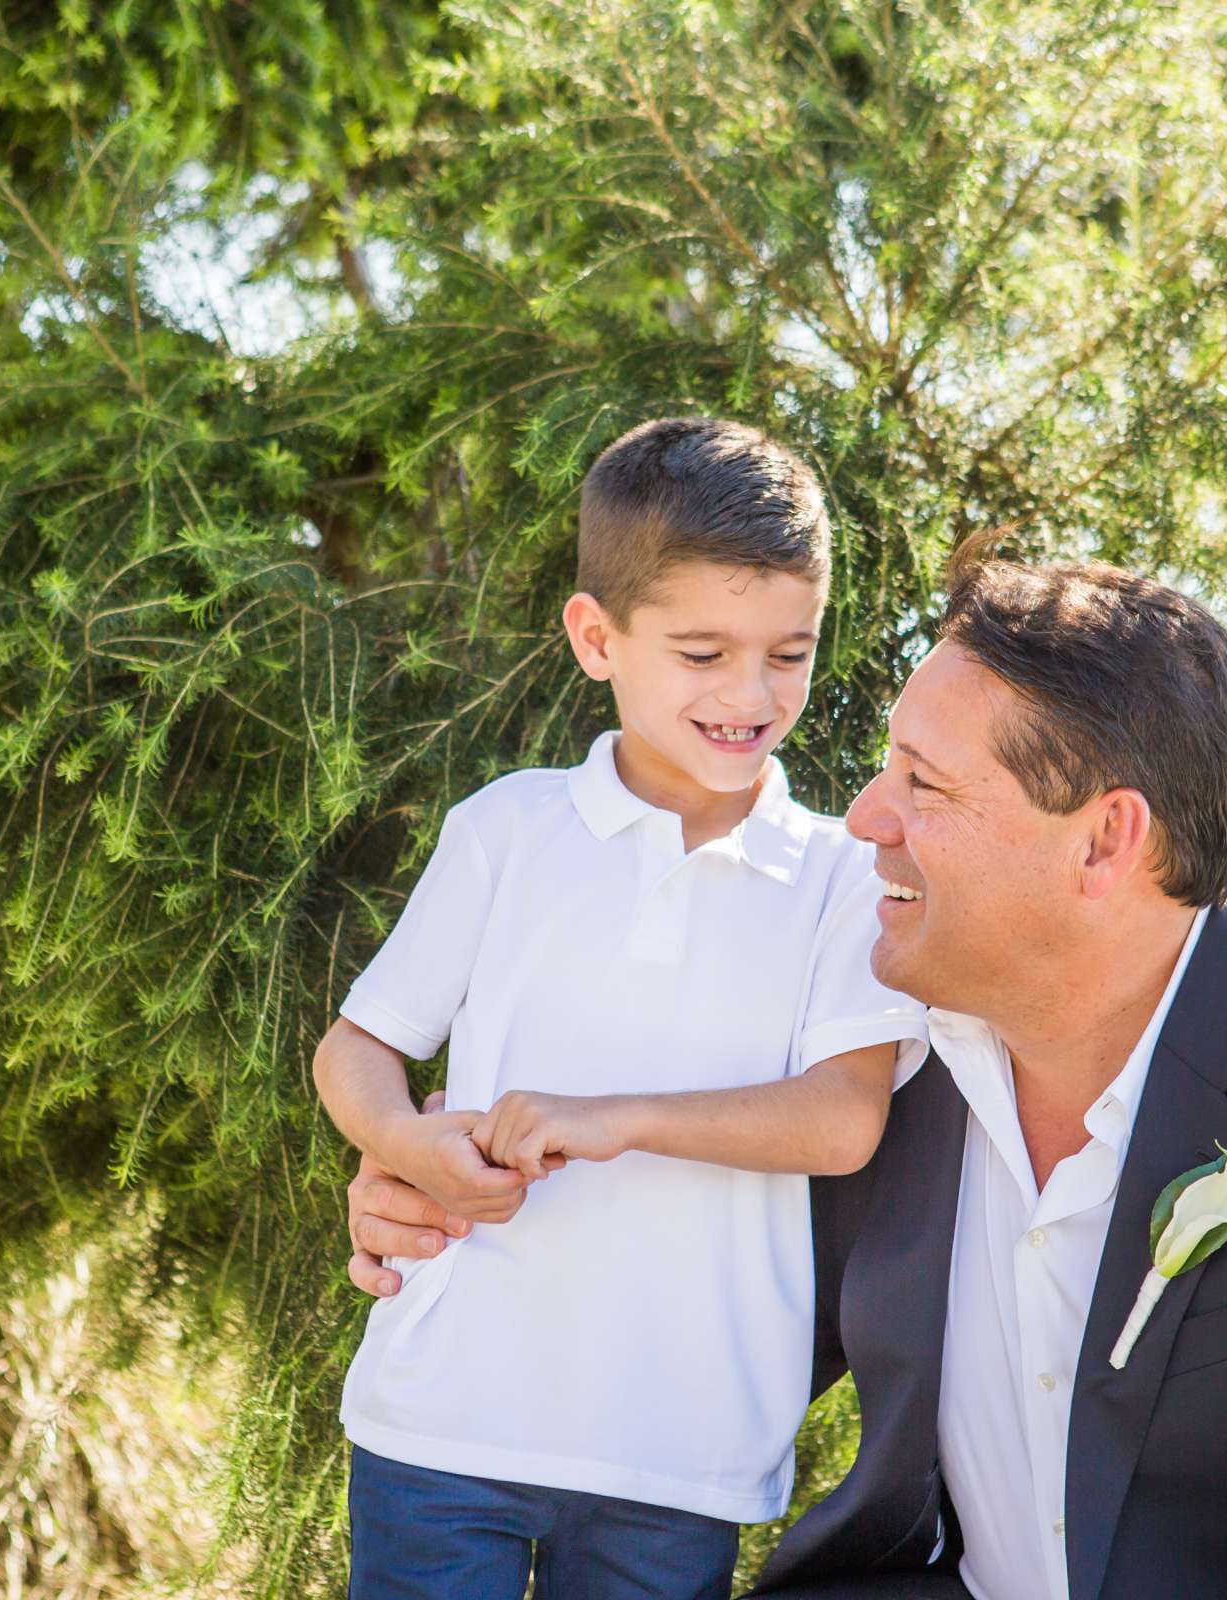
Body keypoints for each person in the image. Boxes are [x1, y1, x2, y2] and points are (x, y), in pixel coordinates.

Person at [346, 555, 1227, 1598]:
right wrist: (433, 1189)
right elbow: (696, 1278)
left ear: (1105, 843)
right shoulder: (874, 1085)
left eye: (924, 783)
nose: (864, 817)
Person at [312, 415, 930, 1600]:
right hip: (445, 1425)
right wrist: (404, 1142)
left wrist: (613, 1117)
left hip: (681, 1454)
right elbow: (360, 1044)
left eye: (788, 653)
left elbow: (842, 1119)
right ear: (597, 638)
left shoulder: (843, 877)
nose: (752, 695)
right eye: (702, 653)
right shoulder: (508, 828)